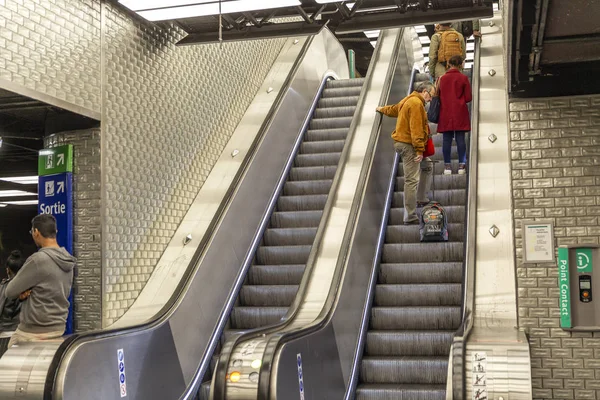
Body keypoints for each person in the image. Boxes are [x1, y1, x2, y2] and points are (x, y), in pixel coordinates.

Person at [5, 214, 76, 347]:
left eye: (32, 231)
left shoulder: (38, 260)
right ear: (55, 232)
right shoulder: (68, 260)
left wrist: (23, 292)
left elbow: (9, 291)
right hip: (58, 329)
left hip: (32, 333)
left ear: (36, 232)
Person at [377, 82, 435, 225]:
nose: (431, 100)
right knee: (411, 180)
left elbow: (394, 110)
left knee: (427, 166)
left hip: (403, 143)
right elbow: (416, 129)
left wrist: (381, 109)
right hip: (409, 145)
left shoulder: (408, 99)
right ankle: (410, 216)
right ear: (425, 91)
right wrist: (419, 150)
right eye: (431, 96)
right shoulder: (416, 104)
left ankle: (421, 197)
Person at [437, 55, 472, 175]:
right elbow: (468, 98)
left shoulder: (441, 78)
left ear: (449, 64)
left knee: (446, 140)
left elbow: (437, 95)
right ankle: (462, 166)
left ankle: (447, 166)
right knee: (460, 139)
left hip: (445, 112)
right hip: (459, 112)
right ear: (460, 64)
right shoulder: (463, 78)